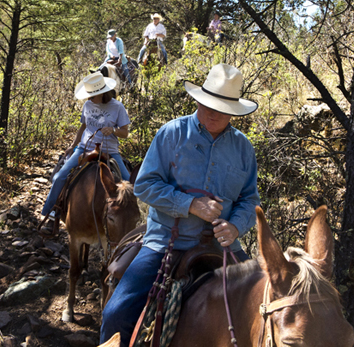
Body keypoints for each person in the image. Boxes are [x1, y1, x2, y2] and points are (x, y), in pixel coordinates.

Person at [100, 63, 260, 346]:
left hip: (225, 247)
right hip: (165, 242)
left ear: (234, 112)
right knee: (116, 313)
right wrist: (190, 205)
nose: (213, 113)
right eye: (209, 104)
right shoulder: (171, 134)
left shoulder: (243, 148)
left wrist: (235, 226)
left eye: (223, 109)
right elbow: (146, 185)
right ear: (198, 100)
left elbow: (249, 199)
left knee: (270, 309)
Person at [40, 72, 132, 235]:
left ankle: (134, 219)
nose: (89, 99)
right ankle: (50, 212)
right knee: (61, 176)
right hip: (85, 147)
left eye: (92, 95)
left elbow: (125, 132)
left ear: (101, 93)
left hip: (110, 151)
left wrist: (113, 130)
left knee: (129, 183)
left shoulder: (117, 107)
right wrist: (73, 146)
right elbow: (83, 127)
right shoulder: (87, 106)